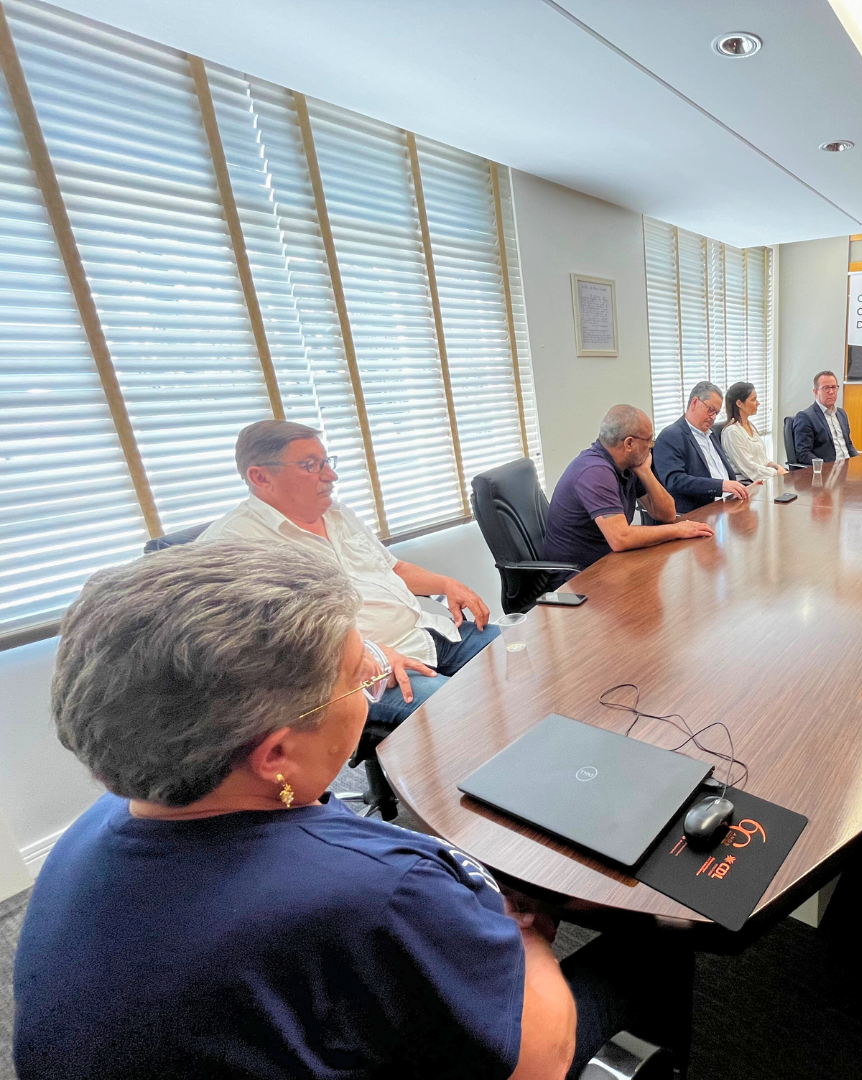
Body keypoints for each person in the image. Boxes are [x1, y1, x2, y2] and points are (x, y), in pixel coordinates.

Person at [13, 540, 691, 1079]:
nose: (374, 679)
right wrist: (526, 935)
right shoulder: (385, 890)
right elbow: (536, 1061)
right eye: (357, 675)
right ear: (275, 753)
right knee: (657, 943)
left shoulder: (101, 822)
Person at [199, 420, 497, 725]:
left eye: (326, 462)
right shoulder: (231, 545)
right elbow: (260, 646)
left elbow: (394, 569)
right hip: (359, 674)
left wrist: (446, 584)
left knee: (517, 655)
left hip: (425, 633)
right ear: (260, 476)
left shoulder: (337, 513)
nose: (331, 475)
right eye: (310, 465)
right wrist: (366, 653)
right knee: (469, 715)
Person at [544, 404, 713, 571]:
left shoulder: (626, 465)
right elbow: (620, 538)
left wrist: (645, 472)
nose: (651, 446)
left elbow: (667, 514)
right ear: (629, 443)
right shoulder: (595, 472)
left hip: (610, 564)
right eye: (648, 440)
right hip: (577, 576)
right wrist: (676, 530)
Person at [653, 381, 751, 514]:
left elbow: (724, 474)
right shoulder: (672, 436)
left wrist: (743, 487)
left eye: (716, 413)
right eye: (710, 410)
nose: (713, 417)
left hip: (728, 504)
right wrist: (720, 485)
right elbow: (675, 480)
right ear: (694, 403)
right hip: (699, 511)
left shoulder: (711, 434)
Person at [720, 381, 787, 480]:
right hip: (747, 483)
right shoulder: (732, 432)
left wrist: (775, 466)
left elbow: (762, 460)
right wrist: (775, 472)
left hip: (763, 478)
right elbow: (749, 468)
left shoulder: (750, 426)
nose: (758, 403)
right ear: (739, 403)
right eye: (753, 400)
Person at [793, 370, 858, 464]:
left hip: (847, 468)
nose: (831, 392)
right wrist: (823, 467)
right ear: (816, 391)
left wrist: (858, 462)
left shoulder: (841, 414)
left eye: (834, 387)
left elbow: (848, 444)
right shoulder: (805, 417)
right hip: (827, 469)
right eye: (826, 388)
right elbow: (803, 454)